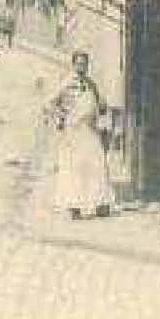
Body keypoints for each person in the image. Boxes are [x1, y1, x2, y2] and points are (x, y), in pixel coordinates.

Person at [49, 52, 115, 220]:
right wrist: (62, 117)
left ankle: (100, 203)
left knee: (97, 165)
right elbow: (50, 103)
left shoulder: (91, 84)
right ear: (73, 65)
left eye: (84, 64)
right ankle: (74, 206)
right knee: (74, 169)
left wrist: (102, 109)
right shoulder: (66, 84)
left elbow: (101, 105)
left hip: (90, 131)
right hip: (74, 132)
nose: (81, 68)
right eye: (78, 64)